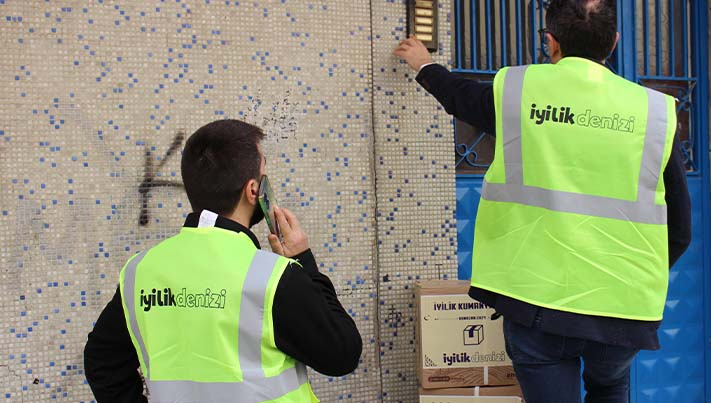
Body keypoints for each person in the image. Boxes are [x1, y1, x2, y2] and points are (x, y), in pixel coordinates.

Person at [394, 1, 691, 402]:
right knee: (610, 386)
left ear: (551, 42)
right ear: (614, 42)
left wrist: (425, 65)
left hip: (538, 306)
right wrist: (633, 275)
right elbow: (680, 230)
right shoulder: (654, 112)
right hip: (622, 308)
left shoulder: (520, 91)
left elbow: (462, 97)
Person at [84, 119, 362, 403]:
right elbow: (342, 354)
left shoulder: (140, 271)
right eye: (264, 176)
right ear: (253, 191)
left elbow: (101, 360)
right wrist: (304, 260)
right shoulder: (273, 277)